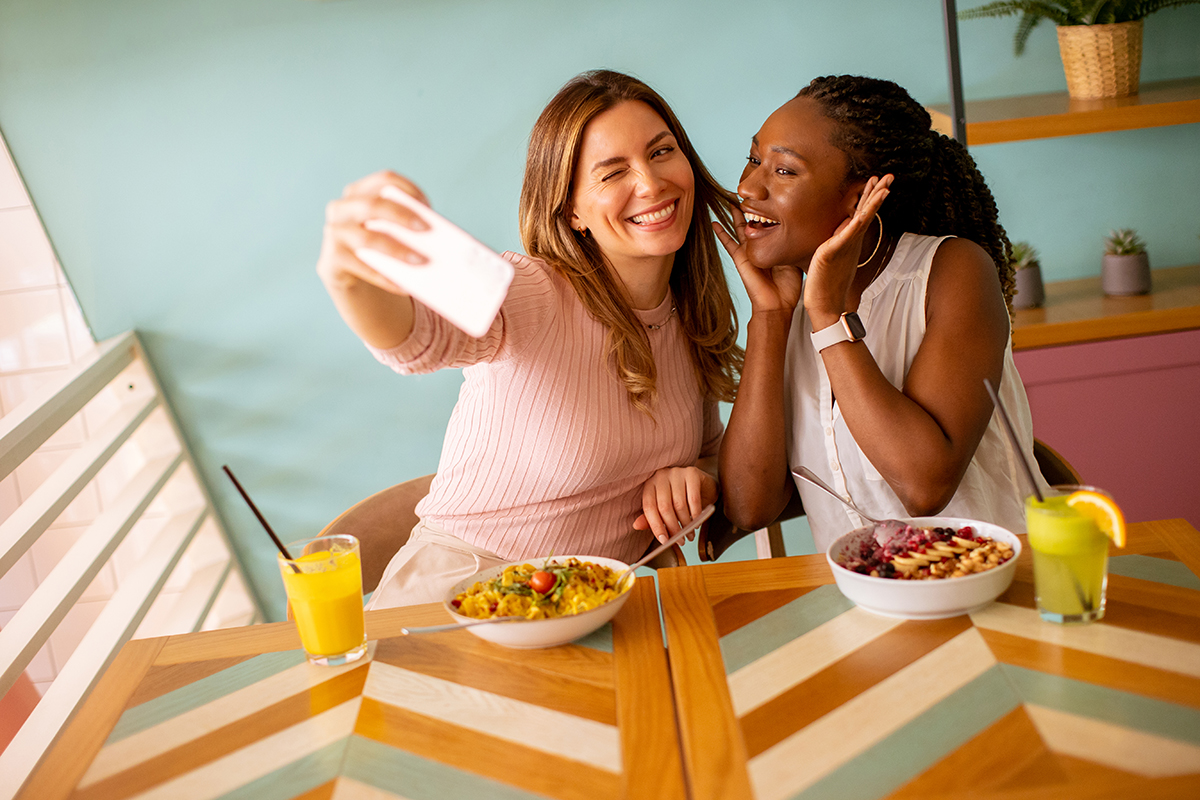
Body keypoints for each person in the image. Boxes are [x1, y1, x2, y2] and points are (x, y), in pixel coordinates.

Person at [317, 70, 743, 607]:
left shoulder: (690, 315)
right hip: (459, 598)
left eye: (661, 152)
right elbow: (416, 341)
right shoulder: (534, 292)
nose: (651, 183)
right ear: (570, 210)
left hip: (586, 612)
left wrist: (697, 478)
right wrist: (348, 277)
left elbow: (707, 453)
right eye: (612, 173)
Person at [715, 74, 1048, 553]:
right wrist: (768, 317)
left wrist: (829, 319)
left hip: (1001, 589)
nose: (748, 187)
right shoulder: (791, 307)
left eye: (784, 171)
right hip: (867, 604)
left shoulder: (952, 272)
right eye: (753, 159)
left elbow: (923, 486)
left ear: (857, 197)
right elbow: (751, 507)